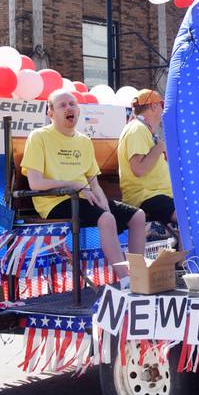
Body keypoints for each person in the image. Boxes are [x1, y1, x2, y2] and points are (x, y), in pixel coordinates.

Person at [21, 89, 146, 280]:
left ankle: (139, 275)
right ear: (50, 113)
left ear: (78, 111)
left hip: (83, 197)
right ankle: (127, 280)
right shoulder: (39, 137)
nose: (69, 108)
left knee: (137, 216)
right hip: (55, 202)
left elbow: (93, 184)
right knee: (105, 219)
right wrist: (72, 184)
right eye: (62, 105)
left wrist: (105, 206)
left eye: (72, 104)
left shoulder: (84, 141)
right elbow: (35, 182)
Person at [118, 89, 176, 224]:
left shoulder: (143, 129)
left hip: (156, 195)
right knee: (189, 220)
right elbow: (138, 169)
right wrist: (160, 147)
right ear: (154, 106)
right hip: (147, 196)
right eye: (162, 105)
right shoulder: (138, 129)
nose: (163, 110)